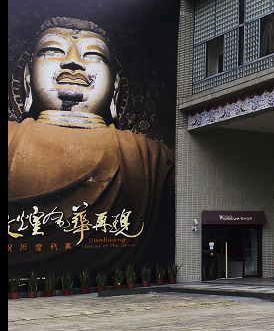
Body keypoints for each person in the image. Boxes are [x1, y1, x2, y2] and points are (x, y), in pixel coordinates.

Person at [8, 17, 174, 275]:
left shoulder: (150, 156)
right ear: (27, 80)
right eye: (52, 51)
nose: (73, 61)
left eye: (94, 55)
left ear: (116, 89)